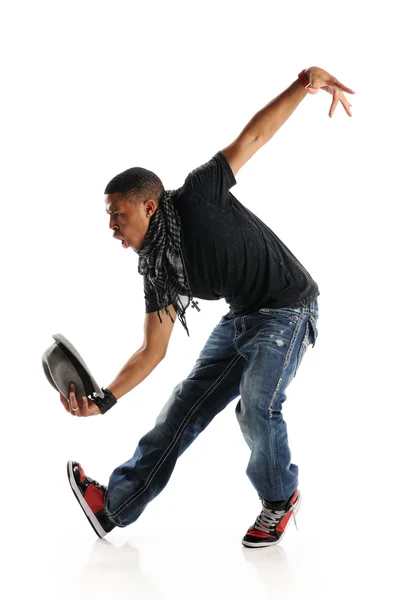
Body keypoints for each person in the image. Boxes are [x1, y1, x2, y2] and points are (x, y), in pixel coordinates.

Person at [60, 66, 355, 548]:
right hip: (242, 318)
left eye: (119, 214)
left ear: (149, 207)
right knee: (182, 409)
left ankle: (280, 499)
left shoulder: (198, 196)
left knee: (257, 405)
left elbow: (254, 135)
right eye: (108, 216)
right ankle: (115, 506)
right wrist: (103, 401)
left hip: (289, 309)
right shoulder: (159, 268)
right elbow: (151, 352)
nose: (112, 225)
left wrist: (305, 83)